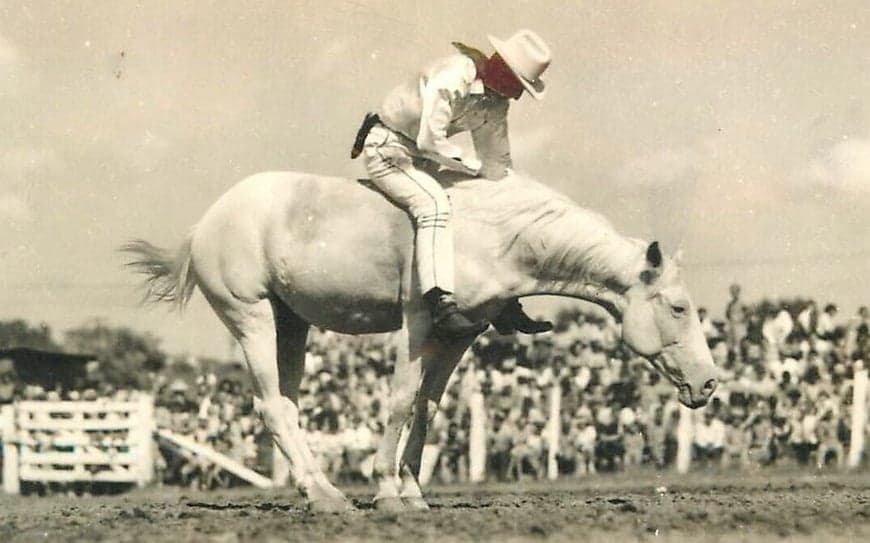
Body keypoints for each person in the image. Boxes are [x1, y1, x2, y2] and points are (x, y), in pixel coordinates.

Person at [352, 29, 554, 338]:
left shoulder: (496, 101)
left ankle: (505, 302)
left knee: (486, 202)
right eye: (517, 84)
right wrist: (475, 171)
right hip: (389, 150)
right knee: (433, 204)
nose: (516, 95)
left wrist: (509, 194)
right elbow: (430, 140)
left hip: (425, 159)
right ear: (499, 67)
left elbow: (496, 162)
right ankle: (440, 304)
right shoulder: (452, 77)